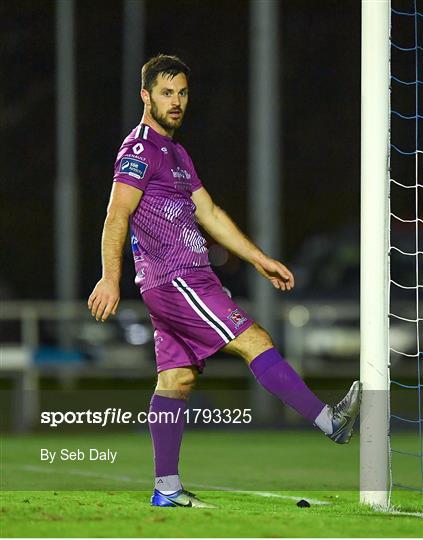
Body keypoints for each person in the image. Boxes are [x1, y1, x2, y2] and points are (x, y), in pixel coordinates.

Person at [88, 54, 362, 509]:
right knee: (254, 339)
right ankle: (330, 423)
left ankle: (167, 490)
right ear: (145, 96)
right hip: (177, 279)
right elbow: (116, 214)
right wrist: (109, 278)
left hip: (183, 279)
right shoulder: (139, 151)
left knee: (175, 380)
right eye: (165, 93)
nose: (176, 102)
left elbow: (209, 212)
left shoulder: (176, 154)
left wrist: (259, 259)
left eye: (182, 93)